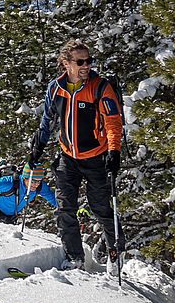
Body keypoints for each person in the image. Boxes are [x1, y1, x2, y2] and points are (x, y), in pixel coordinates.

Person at [28, 39, 125, 271]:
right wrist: (38, 147)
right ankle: (75, 258)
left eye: (88, 61)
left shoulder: (100, 87)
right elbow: (47, 121)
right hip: (67, 157)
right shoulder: (56, 88)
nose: (86, 66)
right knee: (65, 208)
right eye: (80, 61)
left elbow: (113, 123)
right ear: (65, 63)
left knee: (101, 208)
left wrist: (114, 153)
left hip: (96, 157)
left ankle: (116, 252)